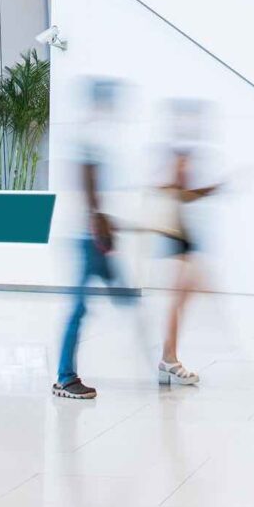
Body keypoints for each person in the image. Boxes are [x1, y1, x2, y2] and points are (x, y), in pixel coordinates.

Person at [53, 78, 140, 400]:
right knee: (80, 307)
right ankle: (65, 377)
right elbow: (88, 186)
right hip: (87, 237)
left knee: (121, 298)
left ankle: (160, 357)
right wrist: (99, 226)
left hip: (93, 235)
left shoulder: (96, 134)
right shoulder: (89, 135)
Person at [153, 104, 222, 389]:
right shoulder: (174, 155)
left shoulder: (180, 152)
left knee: (186, 295)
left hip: (183, 234)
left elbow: (182, 194)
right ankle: (169, 360)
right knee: (180, 297)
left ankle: (169, 358)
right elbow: (175, 191)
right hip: (176, 234)